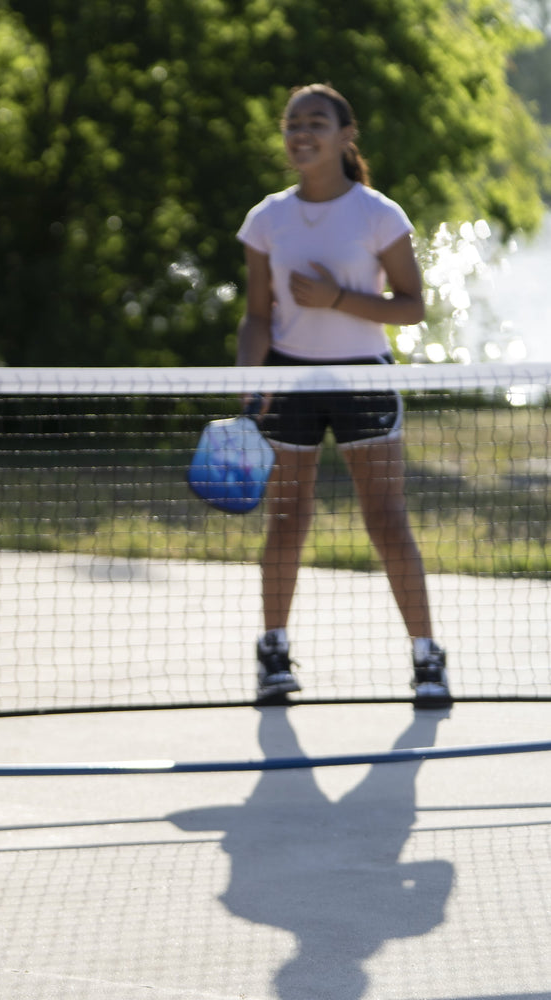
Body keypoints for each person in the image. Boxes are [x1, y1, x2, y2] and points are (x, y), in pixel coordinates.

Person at [235, 83, 448, 708]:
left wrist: (337, 300)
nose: (302, 133)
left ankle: (427, 658)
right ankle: (273, 651)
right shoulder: (265, 219)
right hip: (287, 379)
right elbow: (255, 317)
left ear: (345, 135)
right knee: (288, 518)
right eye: (293, 123)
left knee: (385, 520)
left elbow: (412, 307)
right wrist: (252, 386)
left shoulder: (380, 214)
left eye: (317, 122)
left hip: (363, 376)